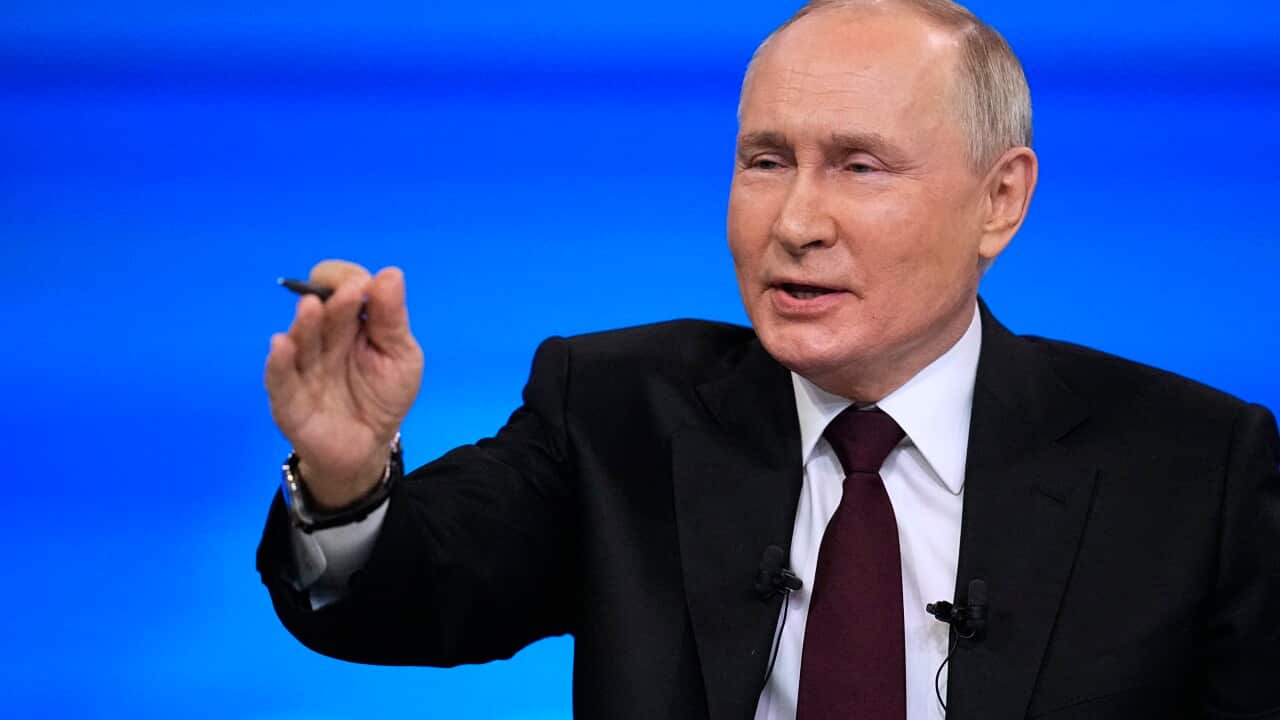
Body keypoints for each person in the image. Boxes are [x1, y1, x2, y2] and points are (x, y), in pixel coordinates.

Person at [256, 1, 1280, 718]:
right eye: (764, 161)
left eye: (857, 166)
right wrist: (344, 480)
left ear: (998, 201)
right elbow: (402, 602)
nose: (794, 222)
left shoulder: (1190, 467)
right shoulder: (614, 408)